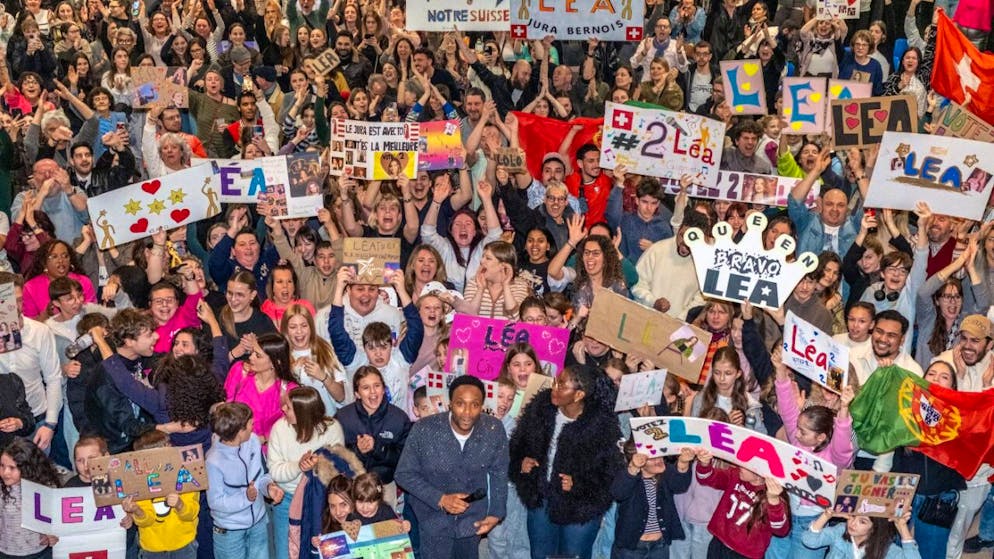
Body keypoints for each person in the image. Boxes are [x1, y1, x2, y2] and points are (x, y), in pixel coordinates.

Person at [509, 364, 622, 559]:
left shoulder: (601, 425)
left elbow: (609, 475)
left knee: (573, 556)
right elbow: (517, 446)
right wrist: (522, 463)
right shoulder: (540, 408)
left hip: (580, 508)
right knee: (541, 555)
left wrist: (578, 485)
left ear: (579, 395)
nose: (554, 388)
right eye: (556, 382)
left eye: (562, 385)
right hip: (541, 498)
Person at [396, 374, 509, 559]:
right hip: (432, 521)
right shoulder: (424, 429)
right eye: (460, 403)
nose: (467, 412)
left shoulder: (493, 429)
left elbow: (499, 473)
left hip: (472, 522)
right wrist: (440, 499)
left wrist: (496, 513)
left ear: (482, 406)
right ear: (450, 404)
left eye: (475, 404)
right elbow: (404, 473)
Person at [268, 386, 344, 559]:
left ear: (303, 412)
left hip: (321, 501)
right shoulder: (279, 429)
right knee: (285, 554)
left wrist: (320, 466)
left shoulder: (332, 428)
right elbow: (275, 471)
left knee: (323, 553)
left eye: (288, 407)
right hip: (287, 500)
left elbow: (339, 471)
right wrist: (299, 467)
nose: (283, 409)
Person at [206, 402, 284, 559]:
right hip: (230, 533)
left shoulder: (253, 441)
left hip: (258, 525)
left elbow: (262, 475)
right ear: (239, 431)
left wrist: (269, 487)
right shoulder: (213, 461)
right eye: (251, 424)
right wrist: (246, 498)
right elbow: (215, 502)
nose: (253, 427)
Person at [336, 367, 411, 509]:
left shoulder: (399, 418)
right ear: (357, 393)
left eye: (377, 386)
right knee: (353, 529)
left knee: (385, 529)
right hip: (351, 485)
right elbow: (334, 455)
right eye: (365, 388)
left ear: (384, 389)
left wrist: (378, 448)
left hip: (385, 486)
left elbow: (405, 458)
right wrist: (358, 450)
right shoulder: (343, 417)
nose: (373, 392)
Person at [695, 448, 790, 558]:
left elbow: (781, 531)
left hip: (745, 554)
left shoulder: (773, 494)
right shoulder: (734, 475)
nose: (739, 466)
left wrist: (773, 501)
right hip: (719, 544)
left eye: (745, 465)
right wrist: (704, 464)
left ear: (760, 473)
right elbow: (706, 478)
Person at [121, 431, 201, 559]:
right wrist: (136, 510)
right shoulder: (139, 483)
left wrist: (180, 505)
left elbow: (192, 513)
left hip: (183, 544)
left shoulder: (184, 474)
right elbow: (146, 521)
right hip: (152, 547)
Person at [610, 440, 694, 559]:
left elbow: (680, 485)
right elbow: (618, 493)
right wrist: (633, 468)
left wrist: (683, 463)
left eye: (659, 454)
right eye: (652, 457)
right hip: (632, 547)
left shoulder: (665, 474)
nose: (658, 459)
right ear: (639, 461)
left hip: (659, 545)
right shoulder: (629, 477)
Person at [0, 439, 61, 559]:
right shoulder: (1, 488)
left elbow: (55, 517)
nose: (5, 472)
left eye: (12, 468)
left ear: (28, 467)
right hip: (6, 552)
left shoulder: (45, 488)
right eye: (2, 465)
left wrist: (52, 534)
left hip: (38, 552)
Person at [803, 509, 919, 559]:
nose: (853, 523)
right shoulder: (840, 531)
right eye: (852, 516)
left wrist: (903, 528)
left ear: (874, 528)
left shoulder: (885, 549)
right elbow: (810, 541)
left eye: (862, 521)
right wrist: (827, 515)